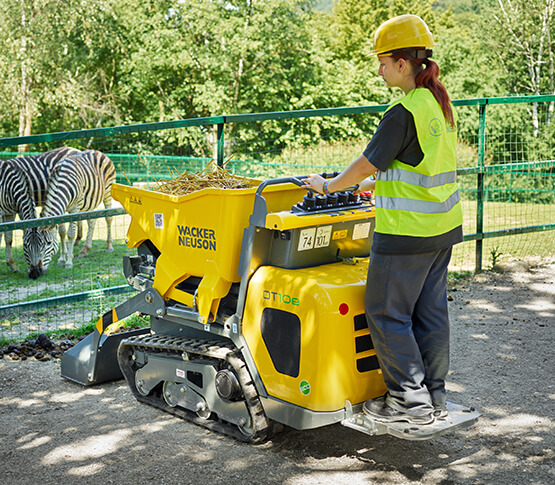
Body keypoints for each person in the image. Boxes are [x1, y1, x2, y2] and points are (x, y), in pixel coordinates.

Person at [302, 14, 463, 425]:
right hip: (442, 231)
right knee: (430, 313)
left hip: (405, 234)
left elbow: (366, 165)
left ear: (403, 64)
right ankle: (434, 395)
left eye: (383, 61)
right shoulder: (438, 105)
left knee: (385, 311)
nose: (379, 69)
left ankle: (408, 402)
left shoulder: (402, 112)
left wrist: (327, 185)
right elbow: (420, 169)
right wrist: (379, 187)